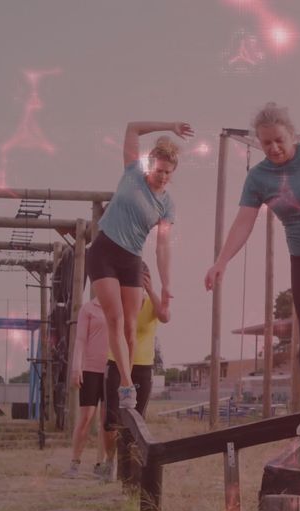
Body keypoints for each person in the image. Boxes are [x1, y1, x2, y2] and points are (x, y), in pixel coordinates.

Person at [204, 103, 300, 438]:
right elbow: (244, 223)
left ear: (292, 134)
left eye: (279, 140)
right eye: (266, 143)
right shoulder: (258, 177)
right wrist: (222, 260)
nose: (273, 148)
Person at [86, 120, 191, 410]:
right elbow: (132, 127)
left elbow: (161, 247)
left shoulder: (167, 205)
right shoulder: (132, 172)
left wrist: (167, 284)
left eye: (168, 174)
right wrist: (170, 125)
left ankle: (125, 385)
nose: (162, 178)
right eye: (159, 172)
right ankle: (127, 384)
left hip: (131, 258)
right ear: (150, 166)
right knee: (116, 319)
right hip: (104, 250)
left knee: (131, 328)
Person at [99, 262, 170, 479]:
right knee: (111, 420)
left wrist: (150, 290)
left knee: (137, 419)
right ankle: (110, 461)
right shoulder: (120, 302)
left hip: (142, 366)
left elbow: (165, 316)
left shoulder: (151, 303)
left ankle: (130, 467)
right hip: (118, 364)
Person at [62, 297, 108, 479]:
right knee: (86, 418)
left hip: (111, 371)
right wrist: (76, 367)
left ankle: (101, 464)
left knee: (107, 421)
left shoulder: (118, 305)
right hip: (90, 370)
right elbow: (80, 339)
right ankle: (74, 463)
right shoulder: (89, 308)